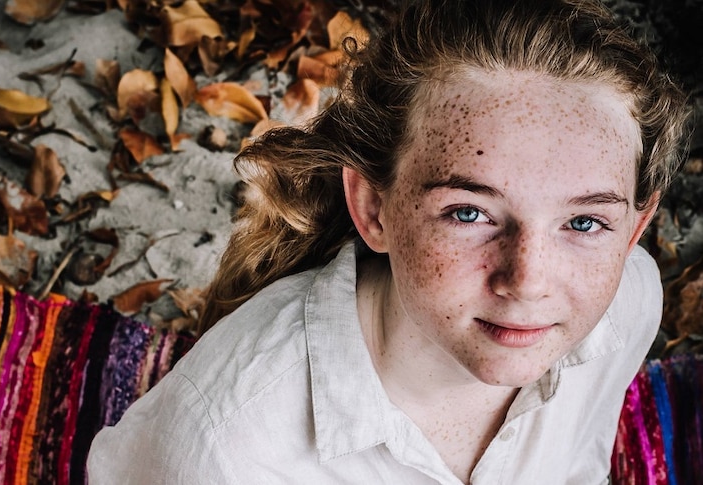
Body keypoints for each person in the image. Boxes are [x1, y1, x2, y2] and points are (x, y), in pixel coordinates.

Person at [88, 0, 690, 483]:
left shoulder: (627, 305)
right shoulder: (219, 453)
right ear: (373, 208)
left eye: (584, 224)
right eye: (468, 213)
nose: (528, 282)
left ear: (635, 227)